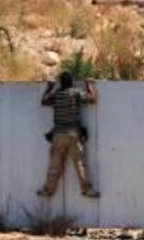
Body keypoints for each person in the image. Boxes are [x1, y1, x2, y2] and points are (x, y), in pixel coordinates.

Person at [37, 71, 100, 199]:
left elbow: (44, 101)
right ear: (71, 83)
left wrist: (49, 88)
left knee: (54, 165)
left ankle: (47, 191)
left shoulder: (57, 94)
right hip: (72, 134)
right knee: (79, 163)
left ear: (61, 83)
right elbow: (92, 99)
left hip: (57, 135)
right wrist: (89, 85)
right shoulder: (75, 93)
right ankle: (86, 190)